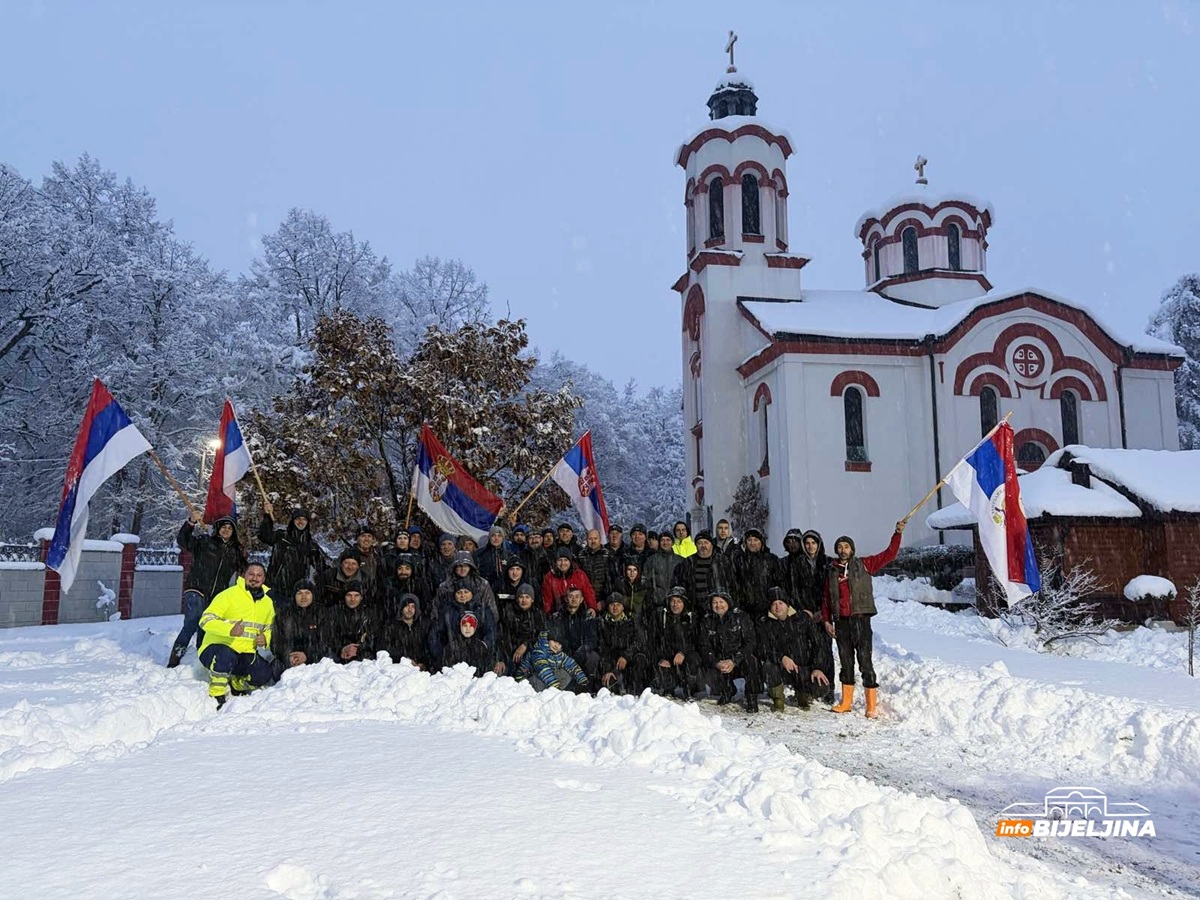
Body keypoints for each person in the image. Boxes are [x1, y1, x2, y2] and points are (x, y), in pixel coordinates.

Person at [823, 522, 905, 718]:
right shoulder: (831, 571)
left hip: (861, 620)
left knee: (865, 661)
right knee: (846, 662)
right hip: (841, 622)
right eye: (840, 547)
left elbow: (889, 554)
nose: (843, 550)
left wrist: (897, 534)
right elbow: (825, 599)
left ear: (852, 549)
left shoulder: (864, 565)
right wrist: (827, 621)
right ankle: (846, 702)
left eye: (846, 546)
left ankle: (871, 706)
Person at [168, 512, 247, 668]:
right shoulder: (204, 542)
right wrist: (191, 522)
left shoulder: (235, 551)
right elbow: (183, 540)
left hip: (217, 595)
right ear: (217, 529)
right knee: (192, 621)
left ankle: (200, 656)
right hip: (196, 588)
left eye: (230, 528)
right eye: (223, 527)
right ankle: (176, 656)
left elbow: (245, 570)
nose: (226, 530)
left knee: (207, 625)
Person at [196, 562, 275, 709]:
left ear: (264, 579)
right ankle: (217, 694)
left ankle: (236, 686)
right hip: (214, 651)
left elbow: (269, 628)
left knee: (264, 673)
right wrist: (229, 630)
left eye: (259, 575)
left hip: (245, 654)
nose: (254, 578)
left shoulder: (268, 603)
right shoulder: (228, 595)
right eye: (251, 574)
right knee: (226, 654)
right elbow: (205, 620)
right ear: (243, 575)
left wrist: (266, 638)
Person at [757, 588, 831, 712]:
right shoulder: (764, 623)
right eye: (774, 604)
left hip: (803, 667)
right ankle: (778, 699)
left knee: (820, 685)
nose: (777, 607)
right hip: (779, 668)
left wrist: (817, 667)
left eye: (781, 603)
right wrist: (781, 658)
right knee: (768, 668)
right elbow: (761, 648)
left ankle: (803, 693)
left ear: (787, 605)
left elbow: (818, 644)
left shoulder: (802, 618)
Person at [782, 529, 835, 696]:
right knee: (804, 647)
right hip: (804, 612)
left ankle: (829, 685)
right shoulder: (798, 564)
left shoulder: (828, 563)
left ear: (819, 544)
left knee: (825, 648)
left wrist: (823, 611)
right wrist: (803, 610)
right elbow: (794, 588)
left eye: (813, 543)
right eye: (807, 543)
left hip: (824, 612)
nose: (810, 546)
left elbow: (832, 590)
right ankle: (806, 685)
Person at [697, 588, 760, 712]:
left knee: (751, 662)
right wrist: (716, 662)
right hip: (719, 660)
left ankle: (751, 697)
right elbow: (703, 646)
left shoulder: (741, 617)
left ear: (728, 603)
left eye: (721, 602)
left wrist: (734, 660)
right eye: (715, 602)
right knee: (705, 665)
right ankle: (727, 691)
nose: (718, 605)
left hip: (739, 658)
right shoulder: (706, 620)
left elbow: (750, 642)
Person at [258, 503, 325, 600]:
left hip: (296, 592)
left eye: (304, 519)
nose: (300, 522)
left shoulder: (311, 546)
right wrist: (267, 516)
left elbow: (321, 568)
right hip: (273, 587)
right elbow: (264, 535)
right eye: (298, 519)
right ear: (293, 521)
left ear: (307, 522)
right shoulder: (281, 537)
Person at [429, 580, 499, 668]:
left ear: (472, 593)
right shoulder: (447, 611)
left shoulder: (483, 610)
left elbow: (491, 632)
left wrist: (484, 646)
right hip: (452, 657)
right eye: (459, 592)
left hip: (478, 657)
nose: (462, 595)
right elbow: (435, 634)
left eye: (466, 592)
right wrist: (441, 654)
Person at [270, 578, 326, 679]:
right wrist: (289, 656)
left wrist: (307, 655)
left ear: (313, 595)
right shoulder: (283, 615)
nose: (303, 597)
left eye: (307, 593)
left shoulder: (322, 614)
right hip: (288, 658)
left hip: (314, 658)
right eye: (299, 593)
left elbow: (326, 642)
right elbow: (275, 643)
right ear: (294, 596)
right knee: (276, 669)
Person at [649, 587, 699, 699]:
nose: (675, 605)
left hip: (686, 654)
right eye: (673, 601)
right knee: (663, 665)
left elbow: (696, 640)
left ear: (684, 603)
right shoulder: (661, 617)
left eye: (679, 601)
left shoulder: (692, 618)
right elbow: (654, 640)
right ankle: (668, 689)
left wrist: (683, 652)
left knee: (693, 660)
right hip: (667, 653)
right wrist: (660, 657)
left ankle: (689, 690)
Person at [597, 593, 648, 695]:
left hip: (629, 660)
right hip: (611, 661)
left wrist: (625, 656)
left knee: (640, 658)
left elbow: (638, 642)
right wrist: (608, 669)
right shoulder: (601, 623)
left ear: (623, 607)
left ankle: (635, 690)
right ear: (608, 607)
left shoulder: (632, 622)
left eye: (618, 605)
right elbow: (601, 648)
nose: (615, 607)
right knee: (610, 685)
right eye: (612, 605)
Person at [672, 530, 735, 612]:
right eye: (699, 543)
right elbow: (682, 585)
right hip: (695, 608)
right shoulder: (688, 562)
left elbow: (732, 584)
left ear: (711, 544)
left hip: (717, 607)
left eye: (706, 542)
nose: (703, 545)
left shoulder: (723, 561)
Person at [548, 587, 600, 685]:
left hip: (581, 654)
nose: (574, 599)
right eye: (571, 596)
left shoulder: (588, 617)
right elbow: (551, 636)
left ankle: (589, 684)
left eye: (577, 596)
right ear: (566, 599)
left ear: (581, 600)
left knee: (593, 657)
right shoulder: (557, 617)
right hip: (562, 654)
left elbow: (592, 640)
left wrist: (580, 652)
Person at [731, 527, 781, 620]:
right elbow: (734, 583)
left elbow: (778, 582)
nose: (752, 543)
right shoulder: (738, 560)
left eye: (755, 540)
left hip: (767, 606)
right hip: (745, 607)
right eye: (749, 540)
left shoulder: (771, 559)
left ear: (761, 542)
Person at [498, 583, 546, 675]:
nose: (524, 600)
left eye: (527, 597)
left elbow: (539, 636)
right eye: (521, 597)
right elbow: (501, 637)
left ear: (532, 600)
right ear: (517, 599)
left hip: (530, 658)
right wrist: (501, 659)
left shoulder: (537, 615)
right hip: (509, 657)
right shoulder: (508, 613)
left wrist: (525, 644)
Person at [325, 581, 378, 664]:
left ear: (361, 597)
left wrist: (357, 649)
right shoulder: (333, 613)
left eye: (356, 595)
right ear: (344, 597)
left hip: (364, 660)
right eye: (349, 595)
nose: (352, 599)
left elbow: (373, 638)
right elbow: (328, 637)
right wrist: (341, 649)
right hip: (338, 658)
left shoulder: (370, 614)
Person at [523, 627, 590, 693]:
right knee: (540, 677)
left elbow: (572, 665)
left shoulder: (559, 654)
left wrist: (583, 681)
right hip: (529, 682)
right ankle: (549, 694)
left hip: (547, 681)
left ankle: (553, 693)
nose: (556, 645)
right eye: (554, 641)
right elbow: (543, 669)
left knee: (567, 673)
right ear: (548, 639)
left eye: (559, 644)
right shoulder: (539, 651)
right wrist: (555, 686)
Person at [540, 547, 597, 614]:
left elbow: (588, 593)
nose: (563, 563)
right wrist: (548, 614)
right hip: (560, 614)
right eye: (560, 560)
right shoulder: (549, 577)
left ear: (570, 561)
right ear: (556, 562)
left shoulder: (579, 575)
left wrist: (592, 607)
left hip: (579, 613)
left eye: (565, 560)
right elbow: (547, 600)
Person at [384, 592, 431, 670]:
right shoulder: (391, 627)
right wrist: (405, 660)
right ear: (401, 608)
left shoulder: (424, 626)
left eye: (413, 606)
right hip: (399, 669)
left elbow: (430, 648)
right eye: (407, 606)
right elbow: (386, 648)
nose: (410, 609)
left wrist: (424, 663)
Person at [441, 613, 495, 677]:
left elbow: (486, 668)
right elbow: (446, 669)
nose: (468, 629)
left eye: (471, 626)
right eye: (465, 625)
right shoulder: (451, 647)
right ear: (460, 626)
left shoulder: (481, 646)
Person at [384, 552, 432, 621]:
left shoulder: (420, 584)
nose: (403, 572)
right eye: (400, 568)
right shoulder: (389, 584)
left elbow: (426, 607)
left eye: (407, 568)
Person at [641, 531, 675, 612]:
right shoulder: (651, 560)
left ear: (672, 542)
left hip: (675, 604)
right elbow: (645, 582)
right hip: (656, 604)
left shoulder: (680, 561)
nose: (665, 542)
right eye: (662, 540)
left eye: (668, 540)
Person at [577, 529, 613, 606]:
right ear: (586, 540)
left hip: (603, 600)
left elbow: (611, 580)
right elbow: (578, 579)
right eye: (590, 539)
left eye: (595, 538)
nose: (593, 541)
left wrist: (605, 600)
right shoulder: (580, 556)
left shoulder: (607, 555)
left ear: (600, 540)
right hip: (584, 600)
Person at [474, 525, 513, 595]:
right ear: (489, 538)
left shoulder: (509, 555)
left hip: (504, 593)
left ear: (503, 538)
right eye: (493, 535)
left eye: (499, 536)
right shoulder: (479, 554)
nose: (496, 538)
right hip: (484, 591)